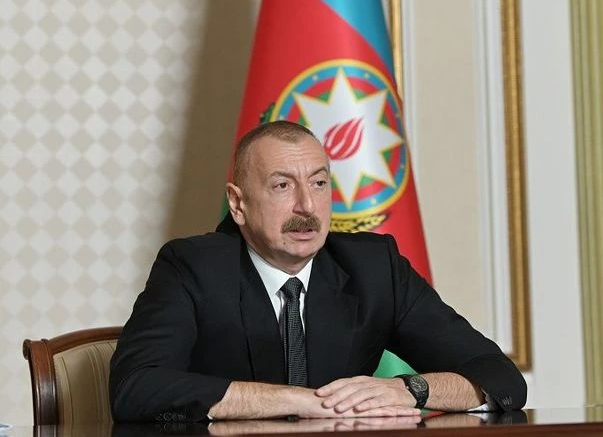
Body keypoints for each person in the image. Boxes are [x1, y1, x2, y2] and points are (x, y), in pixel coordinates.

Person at [109, 121, 527, 422]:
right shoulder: (193, 267)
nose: (307, 206)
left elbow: (498, 376)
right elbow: (136, 388)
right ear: (238, 204)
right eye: (282, 185)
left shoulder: (373, 267)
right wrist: (297, 400)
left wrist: (409, 389)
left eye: (319, 183)